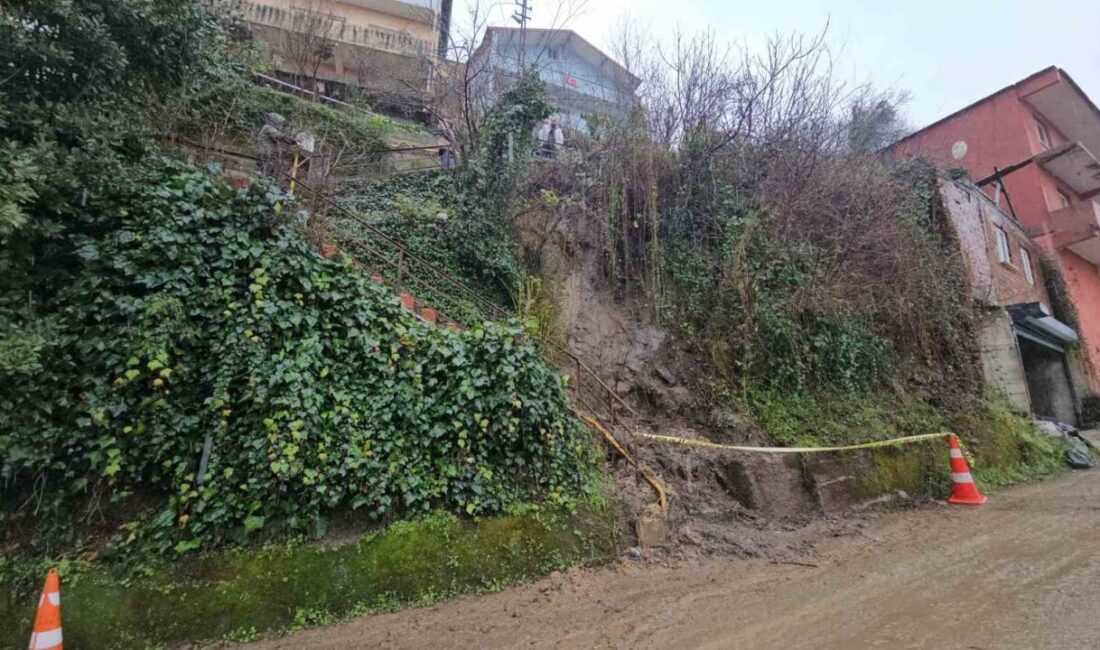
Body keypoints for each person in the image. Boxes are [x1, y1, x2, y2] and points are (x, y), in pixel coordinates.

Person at [257, 113, 294, 178]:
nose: (280, 126)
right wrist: (292, 141)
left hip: (265, 153)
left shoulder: (268, 127)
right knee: (263, 172)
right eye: (280, 124)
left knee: (265, 172)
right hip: (264, 153)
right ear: (275, 122)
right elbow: (279, 136)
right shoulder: (268, 127)